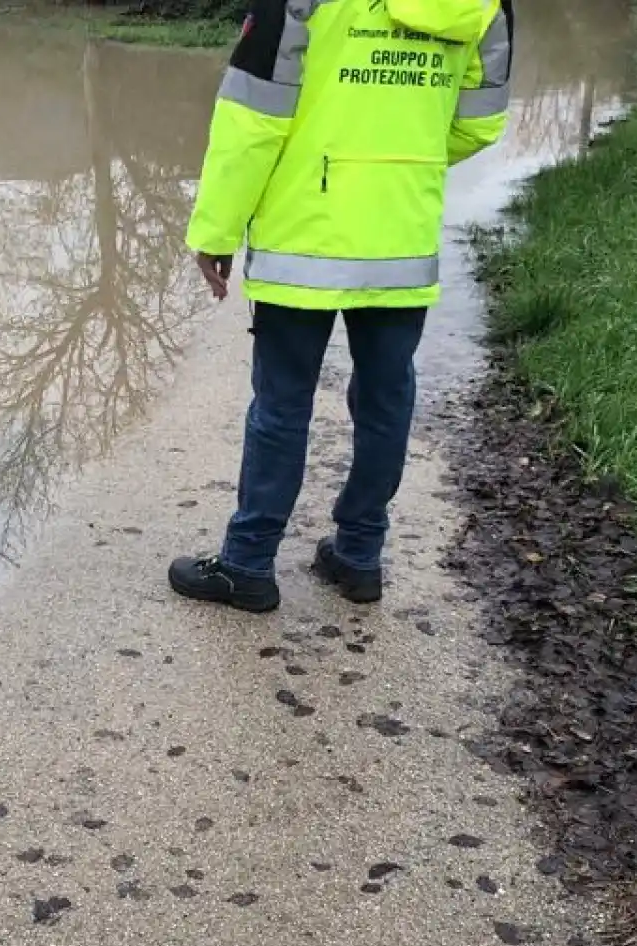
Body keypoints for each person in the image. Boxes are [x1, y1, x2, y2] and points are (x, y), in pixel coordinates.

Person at [168, 0, 513, 613]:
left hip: (305, 233)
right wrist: (397, 164)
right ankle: (359, 556)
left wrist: (217, 231)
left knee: (281, 401)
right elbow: (478, 122)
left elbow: (253, 119)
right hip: (401, 236)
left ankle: (248, 563)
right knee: (386, 399)